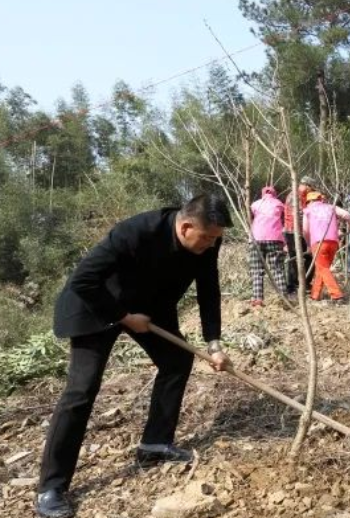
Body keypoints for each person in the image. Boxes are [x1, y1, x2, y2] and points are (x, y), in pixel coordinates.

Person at [35, 195, 234, 518]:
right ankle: (51, 487)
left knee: (176, 360)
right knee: (82, 390)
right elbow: (84, 280)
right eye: (207, 238)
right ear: (186, 227)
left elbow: (208, 290)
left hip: (150, 306)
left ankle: (154, 444)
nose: (212, 244)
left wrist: (214, 344)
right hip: (97, 306)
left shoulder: (209, 240)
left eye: (216, 239)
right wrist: (124, 317)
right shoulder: (136, 231)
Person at [303, 191, 350, 303]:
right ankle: (315, 295)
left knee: (323, 268)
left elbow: (305, 230)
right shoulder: (331, 207)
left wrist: (308, 244)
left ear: (309, 201)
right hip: (333, 242)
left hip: (318, 242)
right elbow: (347, 215)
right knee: (322, 268)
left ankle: (337, 295)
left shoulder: (308, 210)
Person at [249, 186, 287, 307]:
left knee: (257, 270)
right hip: (275, 238)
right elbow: (285, 220)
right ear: (274, 194)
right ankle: (283, 297)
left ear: (262, 194)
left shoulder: (255, 204)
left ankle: (257, 298)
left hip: (256, 238)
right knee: (277, 269)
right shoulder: (279, 204)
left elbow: (250, 219)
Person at [284, 176, 317, 295]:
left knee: (297, 257)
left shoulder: (296, 194)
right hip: (296, 231)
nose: (312, 191)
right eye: (312, 188)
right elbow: (299, 215)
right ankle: (296, 285)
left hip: (292, 230)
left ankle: (297, 284)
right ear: (307, 186)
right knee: (306, 257)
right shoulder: (297, 196)